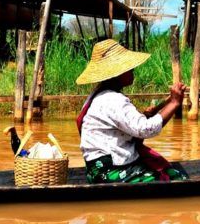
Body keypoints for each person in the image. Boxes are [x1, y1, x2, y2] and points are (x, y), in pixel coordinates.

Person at [76, 39, 188, 184]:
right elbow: (146, 129)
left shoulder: (97, 95)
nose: (133, 69)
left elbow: (125, 123)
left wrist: (145, 116)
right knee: (174, 179)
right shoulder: (113, 100)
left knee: (170, 172)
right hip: (111, 171)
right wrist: (174, 103)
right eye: (128, 67)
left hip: (96, 170)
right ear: (118, 72)